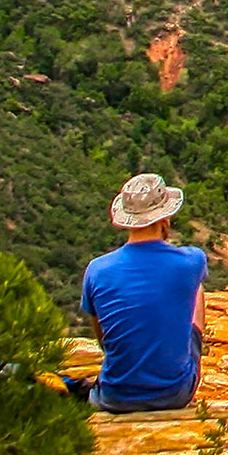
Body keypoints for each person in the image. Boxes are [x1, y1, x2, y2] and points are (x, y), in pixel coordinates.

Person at [76, 174, 207, 412]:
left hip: (114, 396)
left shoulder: (96, 270)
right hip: (174, 394)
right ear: (165, 217)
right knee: (196, 286)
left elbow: (102, 337)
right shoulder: (192, 260)